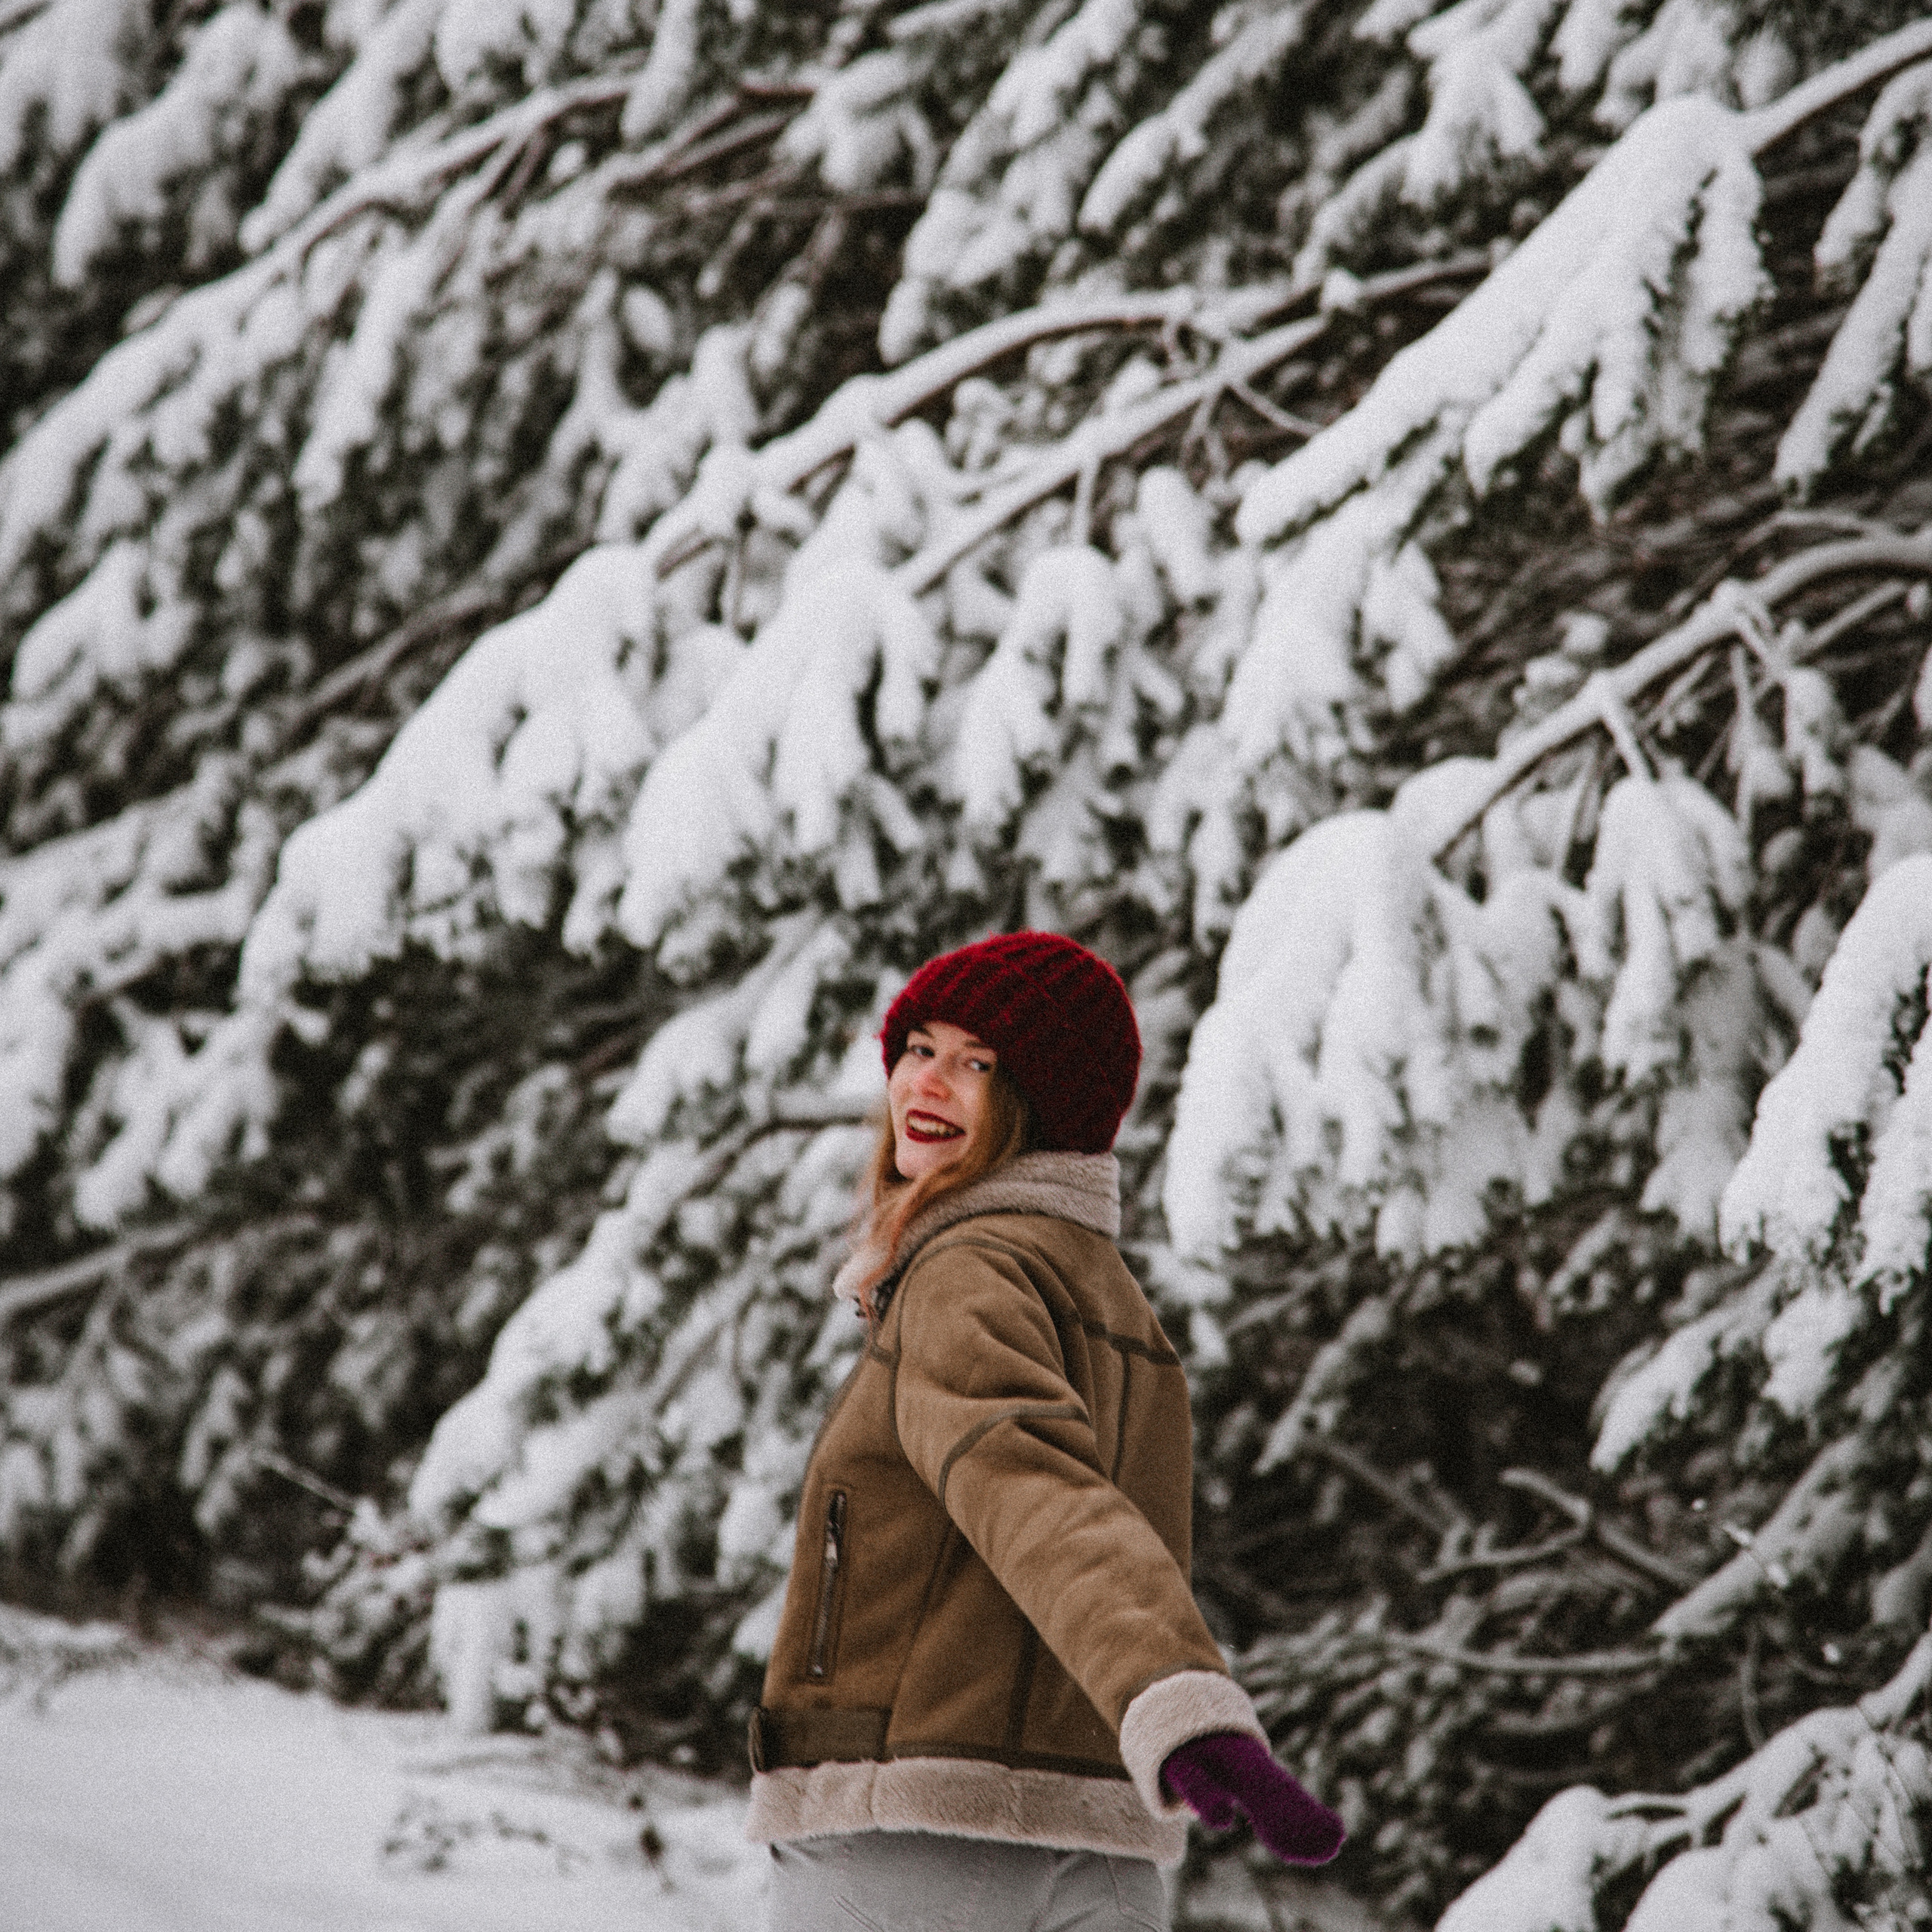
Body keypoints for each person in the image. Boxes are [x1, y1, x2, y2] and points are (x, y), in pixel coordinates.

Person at [747, 931, 1346, 1930]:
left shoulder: (967, 1271)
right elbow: (1078, 1519)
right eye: (919, 1048)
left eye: (978, 1063)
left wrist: (1180, 1697)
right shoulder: (1113, 1303)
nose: (927, 1084)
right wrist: (1171, 1708)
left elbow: (1030, 1488)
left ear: (1041, 1103)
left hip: (917, 1828)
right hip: (1099, 1843)